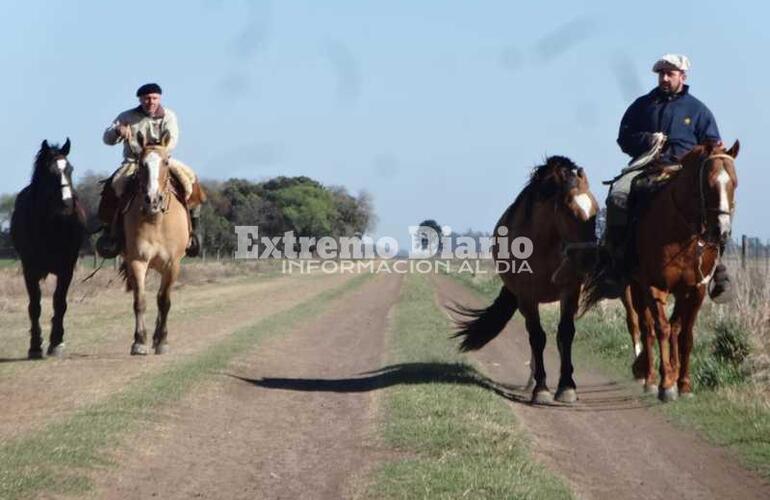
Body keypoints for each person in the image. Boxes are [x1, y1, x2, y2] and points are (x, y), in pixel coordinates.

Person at [601, 54, 732, 301]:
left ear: (683, 76)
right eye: (661, 73)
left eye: (670, 74)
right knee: (618, 196)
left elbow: (714, 145)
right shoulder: (642, 105)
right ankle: (615, 262)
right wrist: (647, 140)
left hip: (686, 172)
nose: (664, 78)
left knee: (718, 201)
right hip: (647, 167)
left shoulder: (698, 110)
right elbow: (624, 137)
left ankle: (719, 270)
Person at [97, 83, 202, 258]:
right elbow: (107, 138)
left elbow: (172, 139)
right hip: (135, 162)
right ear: (140, 99)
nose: (150, 102)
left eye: (154, 98)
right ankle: (111, 233)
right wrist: (118, 130)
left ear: (159, 99)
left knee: (189, 180)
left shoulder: (169, 116)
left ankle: (193, 232)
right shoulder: (126, 116)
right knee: (115, 185)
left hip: (162, 160)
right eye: (146, 98)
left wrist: (159, 151)